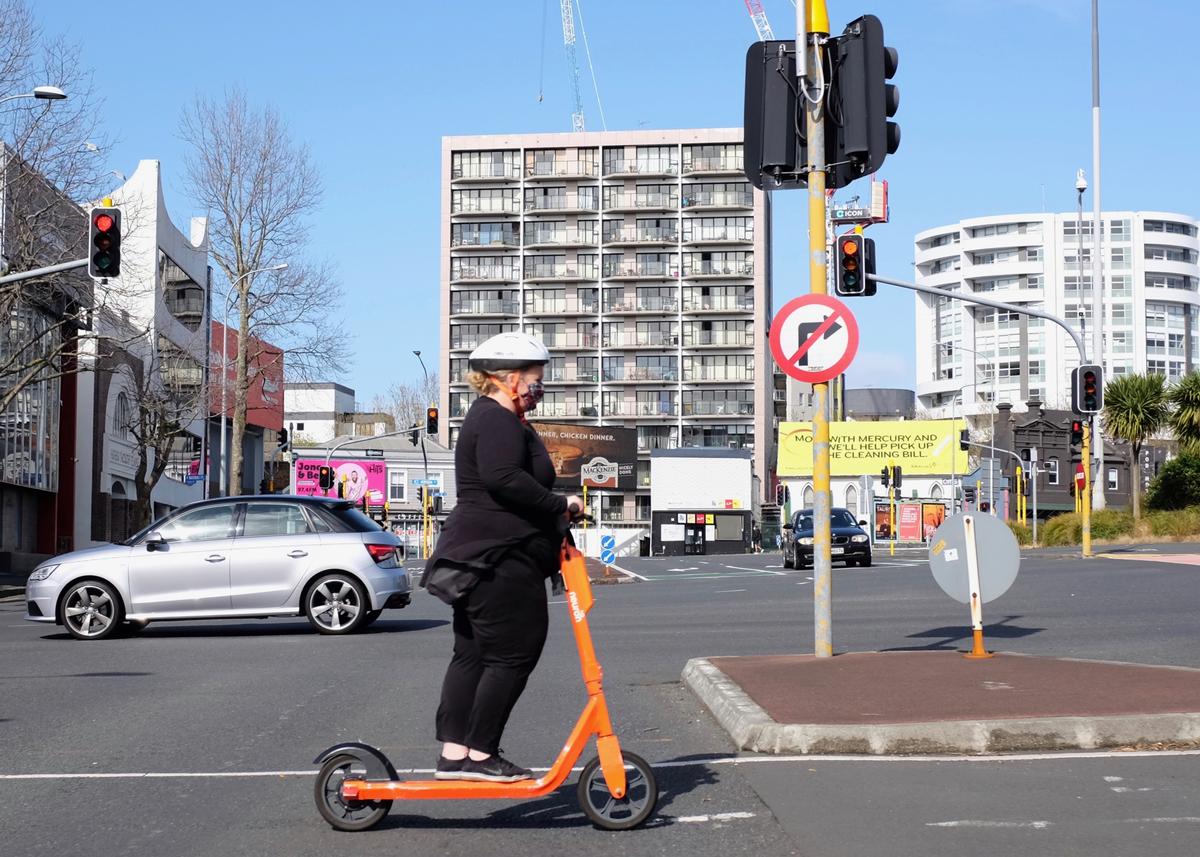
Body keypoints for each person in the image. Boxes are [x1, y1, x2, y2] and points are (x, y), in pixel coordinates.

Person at [424, 331, 582, 784]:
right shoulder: (496, 420)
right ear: (509, 379)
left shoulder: (495, 417)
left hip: (480, 553)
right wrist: (560, 505)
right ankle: (480, 754)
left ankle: (456, 755)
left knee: (473, 653)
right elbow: (502, 477)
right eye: (535, 380)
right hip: (500, 557)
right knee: (514, 653)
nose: (540, 389)